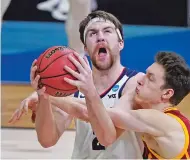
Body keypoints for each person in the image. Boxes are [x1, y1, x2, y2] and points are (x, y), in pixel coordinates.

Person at [9, 10, 143, 159]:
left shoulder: (136, 83)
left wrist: (60, 97)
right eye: (92, 33)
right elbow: (47, 140)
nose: (100, 37)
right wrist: (44, 96)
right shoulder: (71, 87)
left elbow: (107, 137)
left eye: (107, 31)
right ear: (85, 48)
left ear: (121, 43)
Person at [61, 51, 190, 159]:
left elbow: (90, 112)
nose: (140, 80)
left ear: (167, 94)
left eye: (150, 78)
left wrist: (49, 95)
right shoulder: (164, 120)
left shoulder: (161, 120)